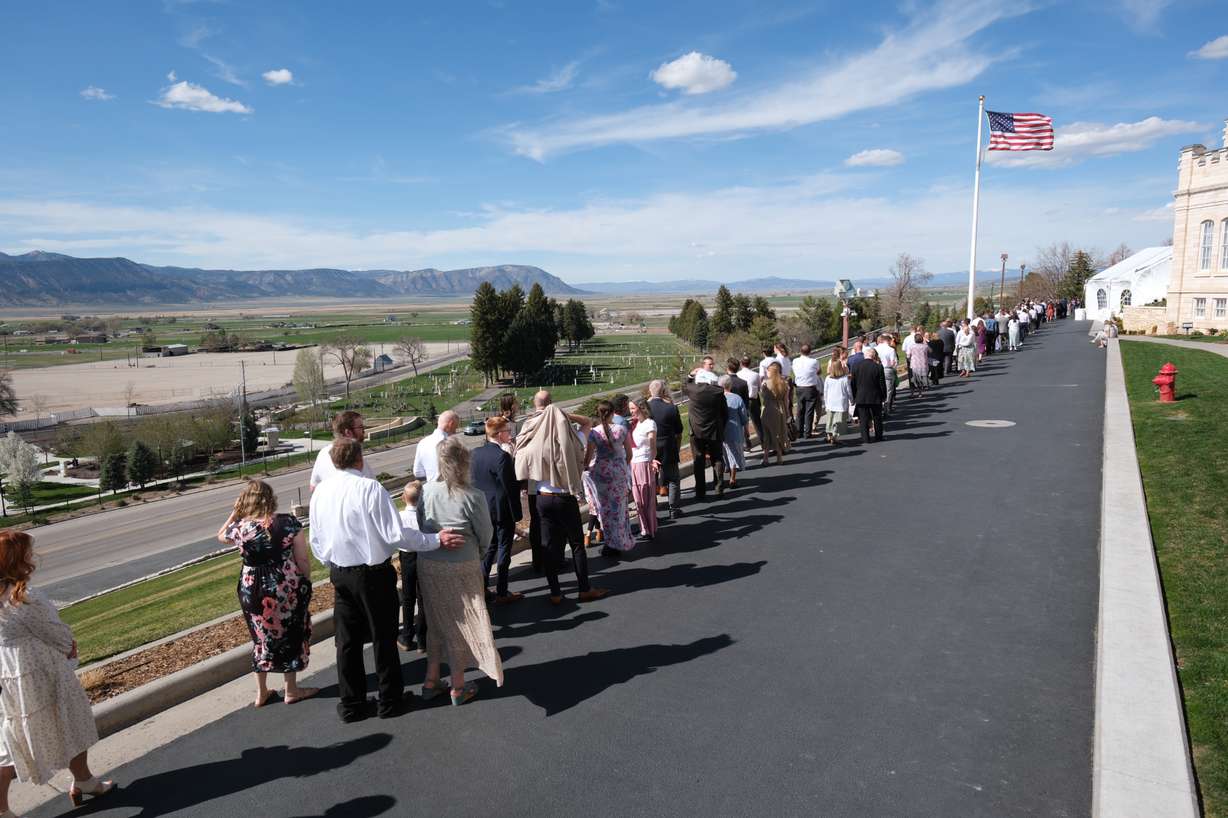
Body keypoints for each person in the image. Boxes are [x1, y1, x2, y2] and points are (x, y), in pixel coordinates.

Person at [310, 439, 464, 722]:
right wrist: (434, 540)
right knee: (383, 637)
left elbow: (316, 539)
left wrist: (331, 563)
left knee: (347, 642)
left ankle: (351, 703)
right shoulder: (370, 488)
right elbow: (395, 534)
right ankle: (389, 699)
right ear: (359, 460)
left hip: (341, 573)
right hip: (371, 574)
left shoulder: (320, 492)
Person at [0, 530, 115, 813]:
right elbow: (59, 637)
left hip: (9, 673)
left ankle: (2, 808)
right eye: (27, 552)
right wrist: (70, 646)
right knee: (70, 722)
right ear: (17, 560)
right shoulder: (25, 598)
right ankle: (84, 780)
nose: (32, 556)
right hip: (42, 671)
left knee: (10, 739)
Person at [416, 437, 504, 707]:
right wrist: (476, 553)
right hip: (461, 565)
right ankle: (458, 685)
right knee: (463, 623)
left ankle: (431, 680)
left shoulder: (426, 491)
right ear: (465, 462)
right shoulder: (473, 496)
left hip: (430, 564)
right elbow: (486, 534)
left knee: (437, 622)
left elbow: (421, 524)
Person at [217, 480, 317, 708]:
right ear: (270, 498)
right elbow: (301, 558)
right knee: (291, 631)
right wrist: (305, 580)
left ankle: (261, 693)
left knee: (260, 636)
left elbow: (221, 535)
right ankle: (291, 690)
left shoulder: (241, 527)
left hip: (251, 586)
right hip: (285, 583)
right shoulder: (288, 522)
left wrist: (235, 512)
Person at [513, 391, 609, 604]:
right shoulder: (571, 440)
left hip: (542, 497)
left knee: (547, 545)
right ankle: (584, 588)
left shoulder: (531, 436)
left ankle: (555, 593)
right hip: (564, 497)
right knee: (576, 544)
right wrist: (564, 415)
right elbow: (587, 423)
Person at [470, 417, 523, 604]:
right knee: (503, 550)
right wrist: (517, 514)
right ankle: (502, 591)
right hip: (502, 511)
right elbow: (510, 488)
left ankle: (482, 587)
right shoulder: (502, 456)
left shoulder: (474, 453)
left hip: (482, 509)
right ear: (499, 434)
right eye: (507, 431)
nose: (509, 433)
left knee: (488, 549)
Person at [582, 401, 635, 558]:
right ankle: (621, 541)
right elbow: (629, 454)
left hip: (601, 473)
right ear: (612, 413)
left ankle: (609, 543)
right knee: (619, 509)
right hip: (618, 471)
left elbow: (589, 457)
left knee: (605, 509)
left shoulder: (594, 433)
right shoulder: (621, 430)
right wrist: (621, 467)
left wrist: (586, 467)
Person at [685, 370, 728, 499]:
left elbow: (685, 383)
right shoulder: (718, 391)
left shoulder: (693, 389)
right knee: (717, 458)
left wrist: (690, 375)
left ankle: (700, 491)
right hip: (714, 430)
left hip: (696, 431)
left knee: (698, 461)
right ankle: (719, 488)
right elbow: (725, 413)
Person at [396, 481, 427, 652]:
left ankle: (407, 636)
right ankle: (423, 639)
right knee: (423, 598)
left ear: (403, 498)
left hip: (407, 557)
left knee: (408, 598)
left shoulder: (400, 517)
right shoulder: (425, 515)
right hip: (423, 555)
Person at [647, 380, 684, 519]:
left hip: (651, 447)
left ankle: (653, 508)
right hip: (668, 446)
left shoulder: (646, 409)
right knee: (673, 479)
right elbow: (679, 430)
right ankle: (673, 509)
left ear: (650, 392)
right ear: (663, 392)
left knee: (651, 479)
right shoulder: (671, 408)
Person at [309, 411, 373, 490]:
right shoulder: (354, 456)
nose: (363, 431)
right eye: (360, 427)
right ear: (348, 432)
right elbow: (373, 490)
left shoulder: (323, 453)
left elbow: (313, 487)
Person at [628, 398, 659, 541]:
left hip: (645, 464)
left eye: (633, 408)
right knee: (638, 500)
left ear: (641, 408)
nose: (631, 411)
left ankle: (651, 528)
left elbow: (653, 444)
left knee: (647, 499)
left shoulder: (649, 423)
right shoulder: (636, 424)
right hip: (634, 463)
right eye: (630, 408)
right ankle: (643, 528)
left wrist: (652, 459)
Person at [851, 348, 886, 443]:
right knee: (877, 417)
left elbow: (853, 383)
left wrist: (854, 396)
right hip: (875, 395)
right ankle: (879, 436)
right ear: (873, 356)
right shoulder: (878, 367)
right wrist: (884, 396)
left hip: (861, 396)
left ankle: (865, 438)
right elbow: (882, 383)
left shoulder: (856, 366)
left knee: (863, 418)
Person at [413, 410, 459, 482]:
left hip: (430, 489)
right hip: (449, 488)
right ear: (451, 424)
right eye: (455, 428)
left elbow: (417, 472)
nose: (455, 432)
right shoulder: (450, 443)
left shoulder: (422, 443)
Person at [718, 375, 748, 486]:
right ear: (730, 385)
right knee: (733, 455)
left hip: (720, 431)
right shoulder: (736, 398)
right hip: (734, 430)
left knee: (724, 454)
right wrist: (746, 428)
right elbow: (744, 416)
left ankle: (725, 474)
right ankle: (732, 478)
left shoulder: (716, 398)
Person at [759, 361, 789, 466]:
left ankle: (766, 458)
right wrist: (788, 414)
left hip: (767, 410)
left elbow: (763, 397)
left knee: (767, 434)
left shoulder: (765, 383)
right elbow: (786, 401)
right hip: (780, 410)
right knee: (778, 433)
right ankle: (779, 457)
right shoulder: (784, 383)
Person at [791, 344, 820, 439]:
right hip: (810, 388)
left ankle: (799, 432)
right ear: (810, 352)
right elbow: (818, 371)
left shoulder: (795, 361)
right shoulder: (814, 361)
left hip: (799, 388)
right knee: (809, 411)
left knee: (800, 410)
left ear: (800, 351)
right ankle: (807, 433)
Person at [822, 358, 853, 445]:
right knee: (838, 422)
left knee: (830, 421)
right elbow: (849, 391)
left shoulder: (828, 378)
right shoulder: (844, 379)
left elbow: (825, 391)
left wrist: (825, 402)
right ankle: (834, 437)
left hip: (831, 403)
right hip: (840, 404)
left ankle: (830, 436)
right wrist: (851, 400)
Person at [737, 356, 763, 450]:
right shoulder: (755, 375)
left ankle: (746, 445)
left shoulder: (738, 375)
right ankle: (763, 443)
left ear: (741, 364)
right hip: (753, 400)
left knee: (743, 423)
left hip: (742, 400)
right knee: (757, 423)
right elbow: (760, 389)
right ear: (750, 363)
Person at [874, 334, 898, 415]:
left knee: (878, 388)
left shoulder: (874, 349)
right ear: (887, 340)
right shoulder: (891, 350)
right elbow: (893, 363)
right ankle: (886, 407)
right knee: (888, 390)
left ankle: (879, 406)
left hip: (876, 370)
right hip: (887, 370)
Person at [907, 328, 929, 397]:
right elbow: (931, 351)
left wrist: (910, 359)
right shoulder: (925, 346)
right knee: (921, 379)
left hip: (914, 364)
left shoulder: (911, 346)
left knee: (914, 379)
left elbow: (908, 355)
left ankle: (912, 393)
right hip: (923, 364)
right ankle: (920, 392)